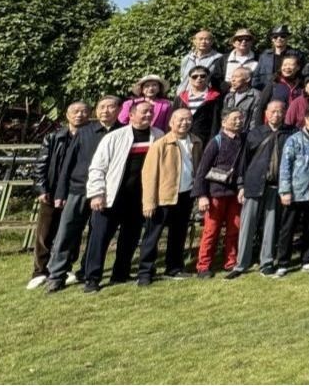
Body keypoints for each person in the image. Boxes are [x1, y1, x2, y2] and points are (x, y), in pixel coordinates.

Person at [81, 100, 163, 292]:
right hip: (112, 196)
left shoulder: (158, 136)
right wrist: (97, 193)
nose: (148, 115)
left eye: (151, 112)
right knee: (100, 238)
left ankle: (121, 273)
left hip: (139, 198)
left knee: (130, 237)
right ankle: (92, 278)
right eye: (144, 112)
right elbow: (98, 167)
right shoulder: (114, 137)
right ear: (131, 115)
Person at [44, 96, 118, 293]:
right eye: (102, 107)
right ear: (96, 111)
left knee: (98, 234)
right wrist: (61, 192)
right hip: (78, 188)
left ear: (118, 110)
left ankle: (86, 270)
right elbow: (68, 162)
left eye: (111, 107)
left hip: (106, 192)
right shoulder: (85, 131)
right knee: (66, 232)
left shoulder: (123, 132)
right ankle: (56, 274)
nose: (106, 111)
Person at [230, 99, 294, 278]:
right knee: (247, 225)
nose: (276, 114)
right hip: (253, 184)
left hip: (276, 186)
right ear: (266, 113)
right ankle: (241, 264)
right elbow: (244, 161)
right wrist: (241, 185)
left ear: (285, 113)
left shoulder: (291, 133)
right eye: (273, 111)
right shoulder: (255, 133)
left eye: (280, 111)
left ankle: (266, 262)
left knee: (271, 226)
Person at [138, 106, 200, 285]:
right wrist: (149, 202)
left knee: (178, 234)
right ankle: (145, 272)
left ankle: (174, 268)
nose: (184, 123)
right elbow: (149, 174)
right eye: (180, 119)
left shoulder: (196, 142)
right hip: (163, 197)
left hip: (185, 195)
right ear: (171, 123)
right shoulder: (161, 144)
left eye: (188, 119)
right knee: (152, 236)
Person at [27, 101, 87, 289]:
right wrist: (41, 189)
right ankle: (40, 270)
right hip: (52, 191)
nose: (79, 115)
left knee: (72, 231)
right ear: (67, 115)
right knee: (45, 232)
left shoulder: (91, 137)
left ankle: (66, 267)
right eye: (75, 111)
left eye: (84, 112)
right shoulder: (54, 137)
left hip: (76, 191)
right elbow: (41, 165)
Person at [192, 108, 246, 278]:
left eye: (240, 118)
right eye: (234, 118)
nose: (238, 121)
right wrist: (202, 196)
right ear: (224, 122)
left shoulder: (243, 140)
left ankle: (231, 262)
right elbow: (202, 170)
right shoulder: (216, 142)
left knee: (234, 229)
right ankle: (203, 266)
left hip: (234, 193)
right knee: (211, 231)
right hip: (215, 193)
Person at [274, 104, 309, 277]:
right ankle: (283, 262)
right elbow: (285, 166)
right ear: (306, 119)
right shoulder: (294, 139)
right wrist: (285, 191)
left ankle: (307, 260)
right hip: (295, 191)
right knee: (288, 228)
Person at [252, 24, 303, 91]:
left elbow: (302, 75)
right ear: (272, 39)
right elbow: (256, 77)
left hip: (290, 92)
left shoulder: (296, 54)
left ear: (287, 38)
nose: (279, 39)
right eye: (275, 37)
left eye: (282, 36)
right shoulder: (264, 56)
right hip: (267, 92)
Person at [179, 29, 225, 95]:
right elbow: (183, 78)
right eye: (200, 39)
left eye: (207, 39)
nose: (203, 42)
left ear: (212, 42)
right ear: (194, 41)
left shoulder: (220, 58)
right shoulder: (187, 59)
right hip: (185, 96)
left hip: (209, 96)